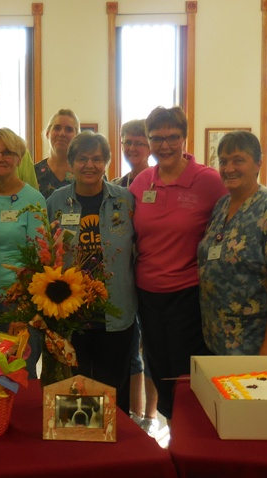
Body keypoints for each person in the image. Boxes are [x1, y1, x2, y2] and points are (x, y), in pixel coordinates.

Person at [130, 106, 228, 422]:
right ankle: (172, 429)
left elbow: (236, 219)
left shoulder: (208, 181)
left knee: (185, 372)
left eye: (173, 137)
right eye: (157, 138)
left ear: (184, 138)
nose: (165, 145)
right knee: (158, 367)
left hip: (188, 295)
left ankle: (189, 433)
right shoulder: (141, 182)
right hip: (147, 294)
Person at [47, 131, 136, 415]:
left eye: (97, 159)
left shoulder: (125, 200)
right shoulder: (56, 202)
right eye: (82, 159)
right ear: (70, 163)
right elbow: (45, 253)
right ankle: (80, 438)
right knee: (76, 388)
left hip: (116, 311)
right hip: (71, 314)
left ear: (107, 162)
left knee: (115, 389)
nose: (90, 165)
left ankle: (119, 437)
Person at [198, 130, 267, 355]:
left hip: (254, 341)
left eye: (238, 160)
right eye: (223, 161)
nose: (229, 168)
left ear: (258, 164)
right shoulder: (221, 206)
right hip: (215, 337)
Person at [0, 128, 44, 378]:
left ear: (19, 158)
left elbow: (40, 259)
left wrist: (25, 309)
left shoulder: (33, 199)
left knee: (18, 375)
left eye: (7, 152)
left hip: (17, 305)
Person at [111, 119, 159, 434]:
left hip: (153, 276)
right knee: (129, 348)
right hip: (122, 279)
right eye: (127, 142)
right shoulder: (117, 185)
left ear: (150, 146)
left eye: (139, 142)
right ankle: (131, 413)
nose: (132, 148)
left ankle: (150, 416)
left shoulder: (157, 182)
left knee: (150, 349)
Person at [34, 109, 79, 199]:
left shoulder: (84, 172)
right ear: (47, 133)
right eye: (57, 128)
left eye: (69, 130)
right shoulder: (34, 173)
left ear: (77, 137)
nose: (62, 134)